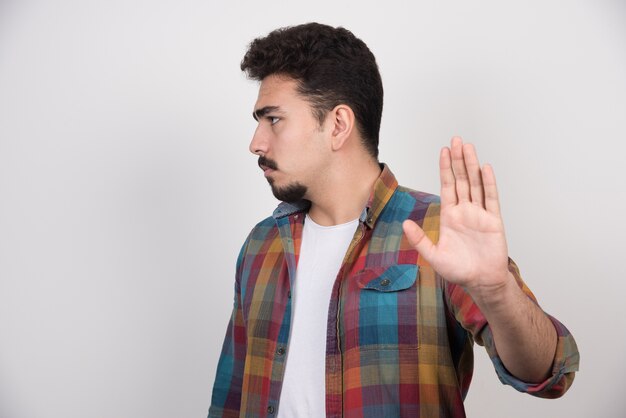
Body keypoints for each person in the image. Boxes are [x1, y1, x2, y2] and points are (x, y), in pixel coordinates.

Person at [208, 22, 579, 418]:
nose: (256, 143)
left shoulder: (436, 232)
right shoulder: (262, 245)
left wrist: (497, 290)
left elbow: (551, 373)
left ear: (337, 125)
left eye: (274, 119)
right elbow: (231, 398)